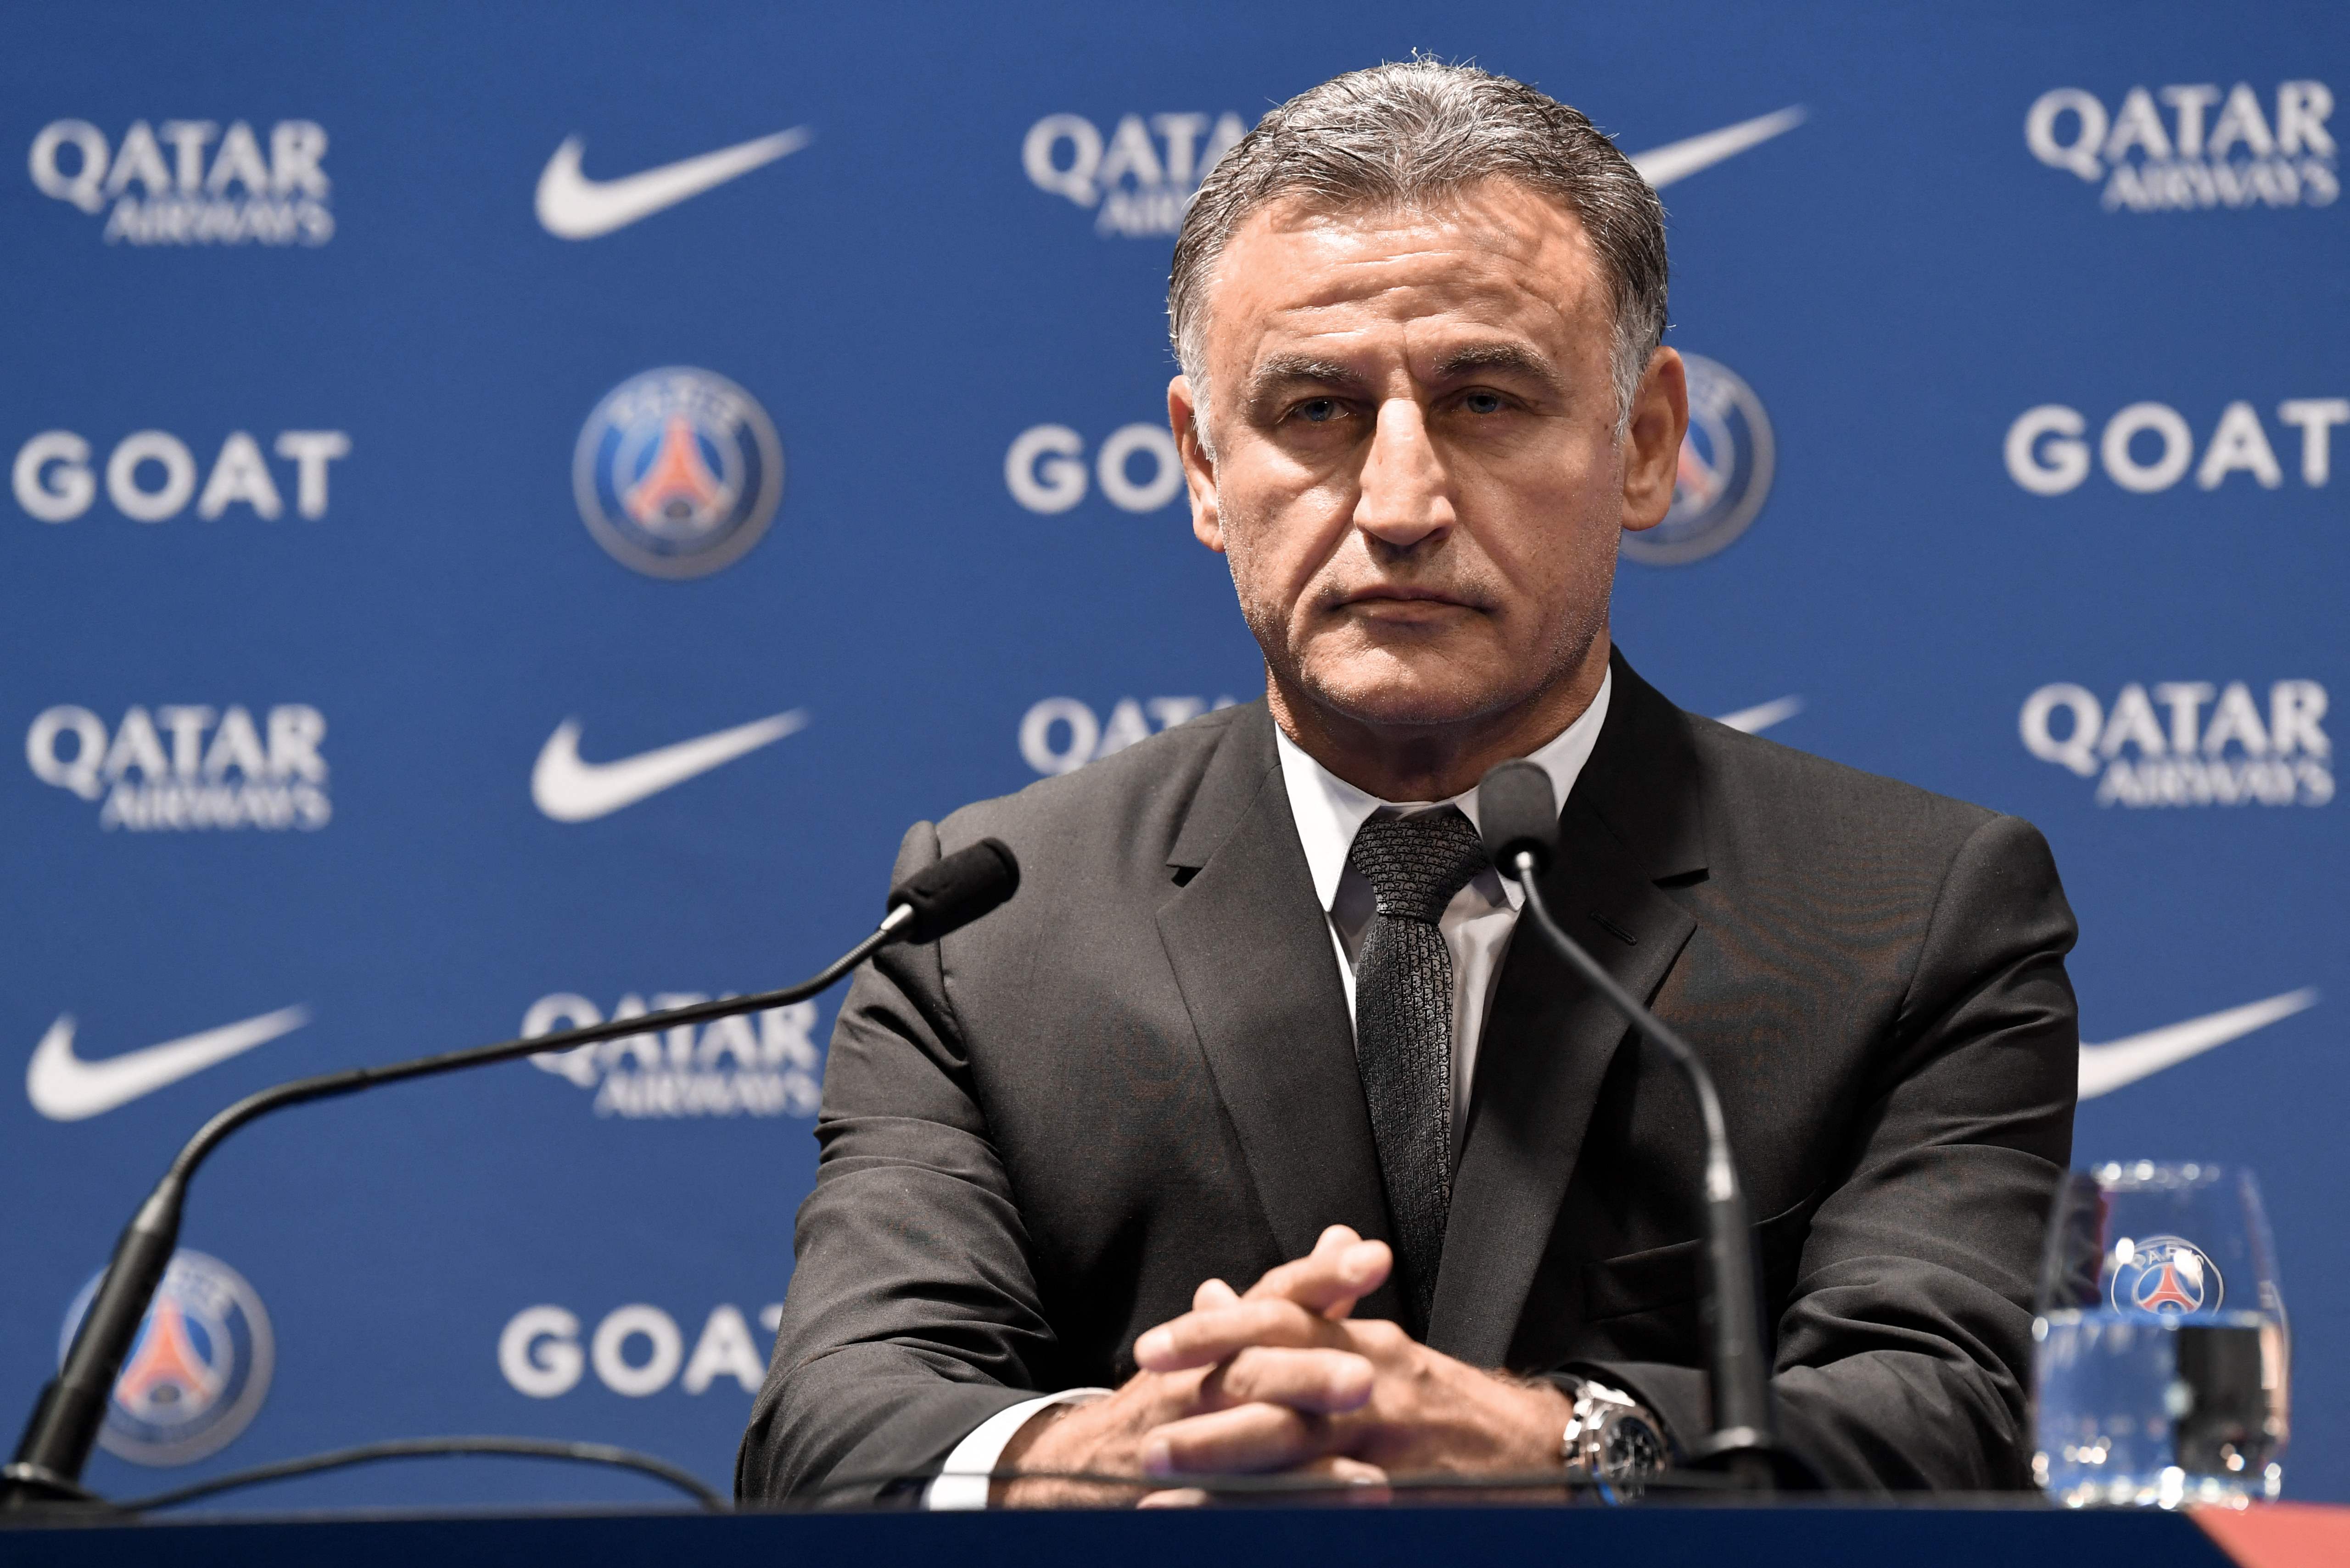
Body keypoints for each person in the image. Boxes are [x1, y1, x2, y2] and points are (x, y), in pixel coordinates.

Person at [737, 59, 2077, 1507]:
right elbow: (830, 1426)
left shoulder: (1916, 909)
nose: (1398, 505)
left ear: (1643, 443)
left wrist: (1549, 1445)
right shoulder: (989, 929)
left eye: (1485, 400)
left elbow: (1947, 1413)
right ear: (1200, 462)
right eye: (1316, 409)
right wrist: (1125, 1446)